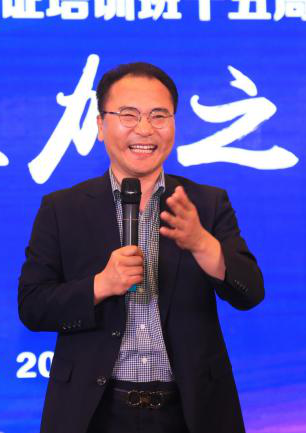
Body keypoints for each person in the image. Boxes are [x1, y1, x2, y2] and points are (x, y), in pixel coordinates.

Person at [18, 62, 264, 433]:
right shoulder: (62, 209)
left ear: (174, 124)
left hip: (190, 412)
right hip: (94, 413)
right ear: (100, 126)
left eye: (158, 115)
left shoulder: (206, 203)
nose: (145, 129)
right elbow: (32, 307)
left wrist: (202, 245)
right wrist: (100, 285)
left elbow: (251, 292)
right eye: (128, 115)